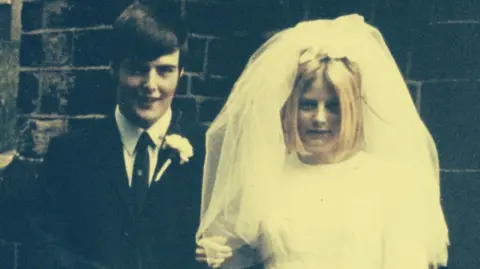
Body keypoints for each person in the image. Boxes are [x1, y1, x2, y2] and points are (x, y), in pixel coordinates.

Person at [195, 14, 449, 269]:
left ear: (353, 110)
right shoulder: (266, 177)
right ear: (291, 107)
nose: (319, 118)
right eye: (307, 105)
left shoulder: (390, 182)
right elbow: (247, 257)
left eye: (333, 106)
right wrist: (223, 257)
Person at [26, 3, 206, 269]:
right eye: (137, 69)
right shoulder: (70, 153)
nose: (151, 85)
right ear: (114, 69)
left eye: (164, 70)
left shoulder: (207, 152)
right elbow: (43, 248)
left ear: (180, 74)